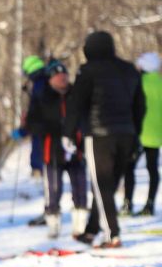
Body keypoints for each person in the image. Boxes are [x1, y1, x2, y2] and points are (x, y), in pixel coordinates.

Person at [66, 30, 146, 247]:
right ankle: (92, 230)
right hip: (127, 135)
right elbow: (140, 106)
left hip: (99, 135)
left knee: (102, 185)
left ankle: (112, 234)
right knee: (107, 186)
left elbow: (76, 104)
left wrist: (69, 134)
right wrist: (135, 133)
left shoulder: (87, 71)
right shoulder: (129, 70)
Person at [31, 60, 89, 238]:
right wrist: (48, 129)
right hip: (52, 150)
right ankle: (53, 224)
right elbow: (33, 122)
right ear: (50, 79)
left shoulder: (76, 94)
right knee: (53, 189)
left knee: (80, 186)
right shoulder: (42, 96)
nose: (62, 79)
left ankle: (79, 224)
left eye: (64, 75)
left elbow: (85, 117)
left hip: (76, 148)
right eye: (57, 76)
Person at [15, 54, 53, 226]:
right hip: (48, 135)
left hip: (44, 137)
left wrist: (23, 131)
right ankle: (51, 211)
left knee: (48, 174)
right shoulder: (47, 81)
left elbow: (36, 113)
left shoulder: (39, 85)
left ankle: (50, 212)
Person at [137, 52, 162, 217]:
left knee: (127, 168)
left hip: (138, 132)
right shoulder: (160, 83)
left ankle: (126, 203)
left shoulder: (138, 83)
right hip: (156, 133)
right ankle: (150, 204)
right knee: (153, 169)